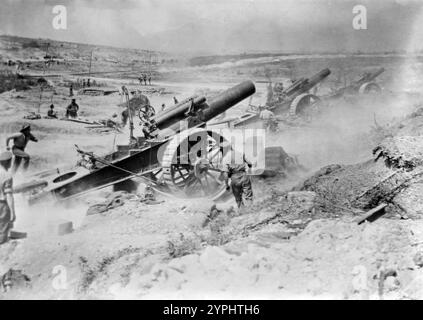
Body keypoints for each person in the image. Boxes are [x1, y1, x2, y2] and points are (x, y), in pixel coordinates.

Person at [0, 151, 15, 244]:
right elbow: (8, 195)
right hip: (1, 205)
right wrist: (12, 211)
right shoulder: (7, 175)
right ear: (7, 162)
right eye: (10, 161)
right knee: (2, 232)